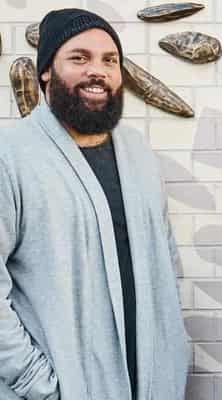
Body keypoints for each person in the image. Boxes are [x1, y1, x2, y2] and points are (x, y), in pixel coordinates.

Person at [0, 8, 189, 400]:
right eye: (79, 58)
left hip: (152, 383)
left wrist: (175, 354)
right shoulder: (10, 156)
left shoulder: (138, 153)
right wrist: (38, 384)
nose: (97, 71)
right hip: (60, 387)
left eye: (110, 60)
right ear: (46, 71)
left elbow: (165, 262)